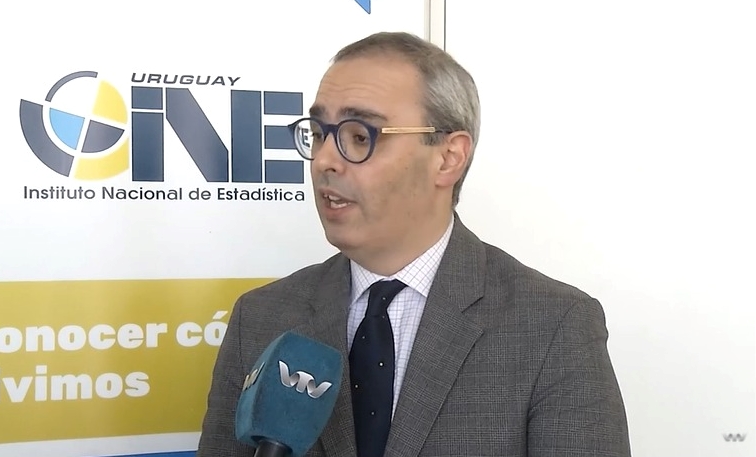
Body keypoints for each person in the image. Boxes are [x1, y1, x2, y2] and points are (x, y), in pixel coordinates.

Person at [196, 31, 631, 457]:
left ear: (448, 158)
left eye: (359, 136)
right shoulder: (261, 319)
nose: (325, 160)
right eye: (320, 134)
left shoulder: (554, 327)